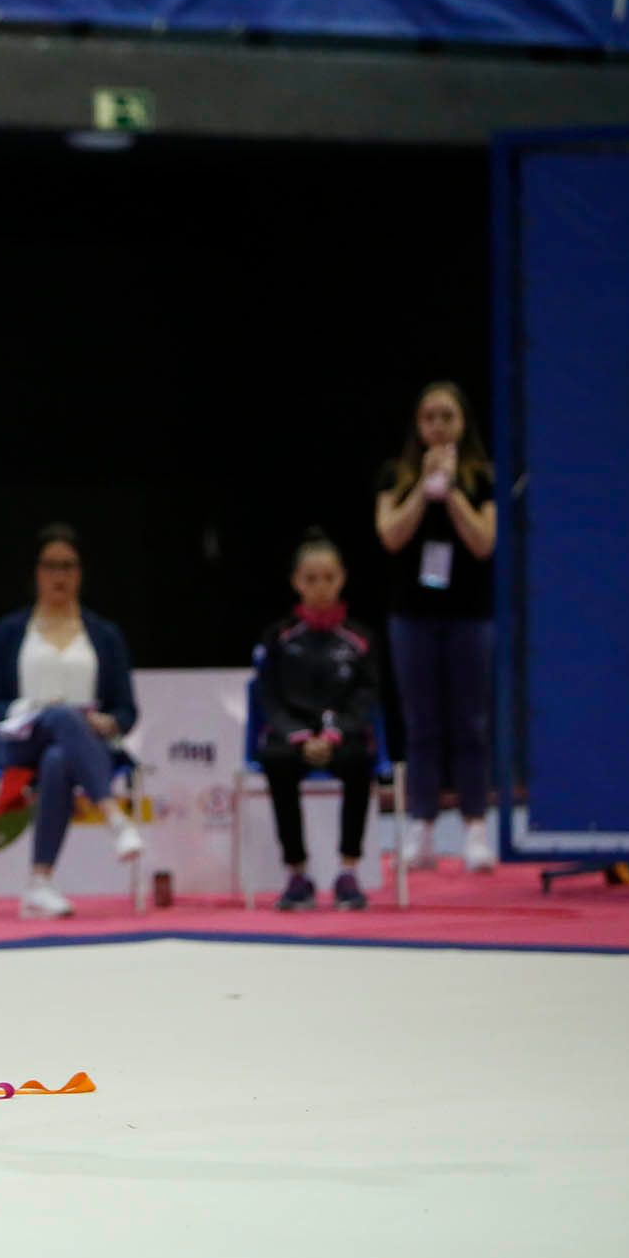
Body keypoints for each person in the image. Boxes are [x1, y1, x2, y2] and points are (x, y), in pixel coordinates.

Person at [0, 523, 143, 919]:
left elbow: (127, 710)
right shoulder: (8, 633)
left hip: (85, 745)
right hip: (20, 742)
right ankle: (114, 817)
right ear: (37, 572)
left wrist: (110, 722)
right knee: (57, 714)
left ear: (80, 573)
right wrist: (28, 709)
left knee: (58, 757)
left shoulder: (103, 635)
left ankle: (39, 882)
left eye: (68, 566)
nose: (60, 575)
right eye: (51, 566)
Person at [375, 381, 498, 872]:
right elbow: (390, 534)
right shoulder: (395, 474)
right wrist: (424, 492)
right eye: (430, 417)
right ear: (418, 425)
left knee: (470, 722)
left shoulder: (481, 477)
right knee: (421, 723)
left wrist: (450, 494)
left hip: (469, 616)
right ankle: (421, 825)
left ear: (463, 422)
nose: (439, 426)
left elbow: (484, 542)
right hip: (412, 617)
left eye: (448, 416)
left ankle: (474, 826)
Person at [254, 530, 381, 911]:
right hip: (292, 737)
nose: (321, 587)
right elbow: (268, 695)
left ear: (341, 579)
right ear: (296, 583)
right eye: (311, 579)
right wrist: (297, 735)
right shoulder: (279, 637)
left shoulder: (359, 638)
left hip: (343, 735)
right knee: (276, 764)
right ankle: (297, 873)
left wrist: (335, 732)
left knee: (361, 763)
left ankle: (348, 871)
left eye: (328, 578)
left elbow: (368, 694)